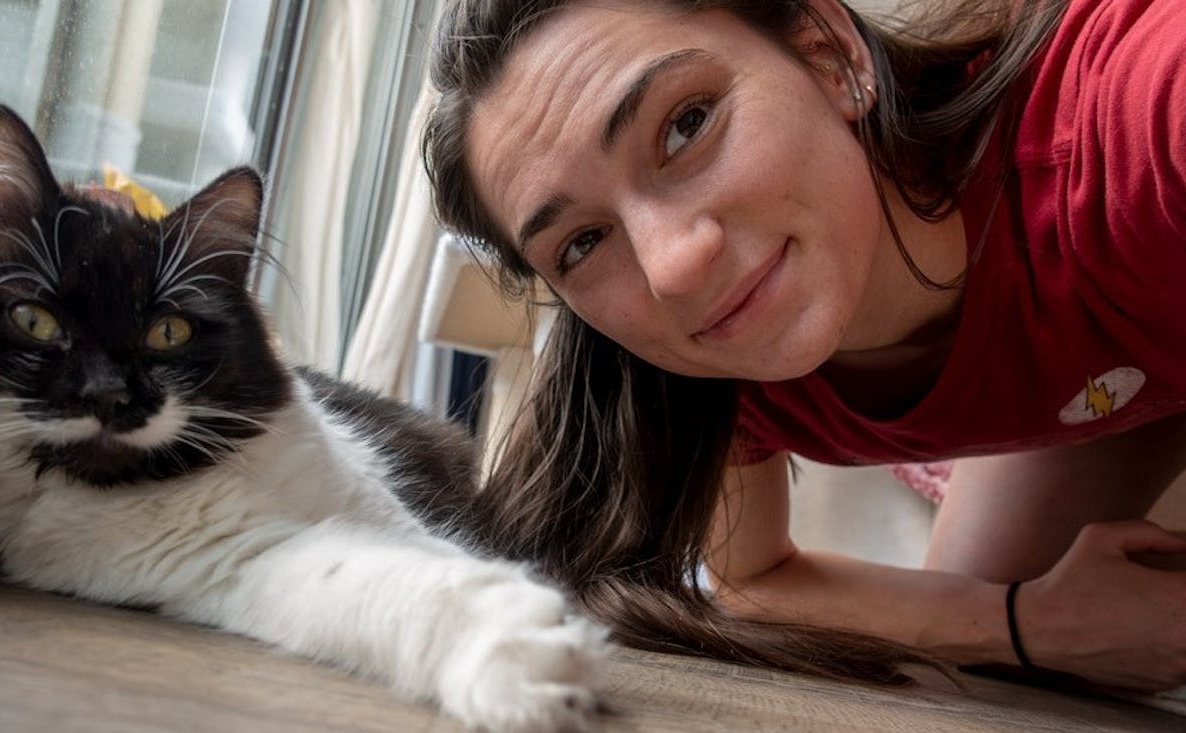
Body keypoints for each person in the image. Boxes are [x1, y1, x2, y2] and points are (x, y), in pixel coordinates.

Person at [422, 0, 1186, 690]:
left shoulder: (1130, 118)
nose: (674, 268)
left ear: (831, 56)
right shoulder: (696, 366)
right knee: (989, 668)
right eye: (584, 243)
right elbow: (752, 578)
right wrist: (1031, 622)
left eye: (686, 125)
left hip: (1131, 248)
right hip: (1121, 351)